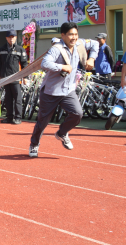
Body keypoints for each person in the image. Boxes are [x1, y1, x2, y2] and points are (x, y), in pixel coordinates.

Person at [28, 22, 98, 157]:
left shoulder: (79, 44)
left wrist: (92, 58)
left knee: (77, 114)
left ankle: (62, 133)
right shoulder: (56, 49)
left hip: (68, 90)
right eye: (71, 34)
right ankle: (34, 144)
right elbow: (45, 63)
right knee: (43, 121)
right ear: (63, 35)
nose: (74, 37)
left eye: (76, 34)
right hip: (51, 91)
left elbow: (95, 44)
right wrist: (62, 67)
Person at [0, 30, 28, 124]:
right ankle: (9, 117)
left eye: (13, 37)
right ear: (6, 38)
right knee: (8, 99)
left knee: (17, 98)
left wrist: (25, 77)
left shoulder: (20, 49)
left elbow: (24, 65)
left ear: (16, 38)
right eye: (10, 37)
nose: (12, 39)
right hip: (6, 78)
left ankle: (18, 118)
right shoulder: (2, 49)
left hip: (16, 78)